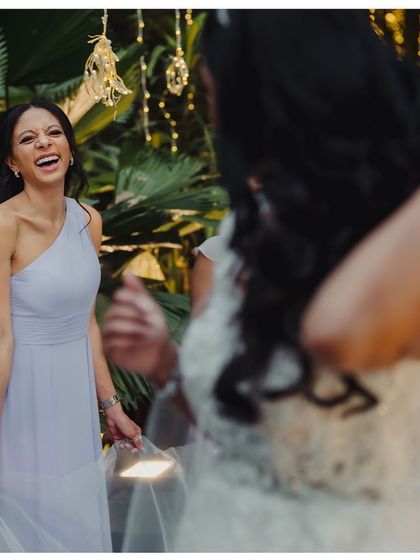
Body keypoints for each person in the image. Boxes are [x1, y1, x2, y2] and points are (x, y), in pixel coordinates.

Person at [103, 10, 420, 552]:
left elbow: (333, 333)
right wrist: (164, 362)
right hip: (232, 527)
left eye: (219, 95)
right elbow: (248, 426)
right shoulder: (249, 229)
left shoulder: (395, 228)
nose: (214, 116)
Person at [0, 100, 142, 552]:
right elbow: (1, 338)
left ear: (69, 148)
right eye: (28, 139)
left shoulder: (88, 220)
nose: (44, 142)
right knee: (26, 521)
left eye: (54, 133)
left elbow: (87, 323)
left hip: (73, 395)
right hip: (20, 393)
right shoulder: (4, 224)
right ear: (13, 162)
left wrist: (111, 405)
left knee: (74, 518)